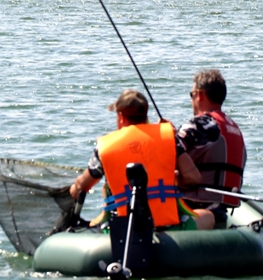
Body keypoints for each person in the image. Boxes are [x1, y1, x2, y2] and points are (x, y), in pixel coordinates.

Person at [69, 89, 201, 229]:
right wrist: (170, 176)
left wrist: (74, 188)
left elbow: (82, 186)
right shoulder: (169, 139)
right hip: (168, 228)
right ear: (145, 115)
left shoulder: (106, 147)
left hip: (121, 230)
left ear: (121, 117)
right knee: (208, 216)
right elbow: (193, 177)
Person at [176, 69, 246, 231]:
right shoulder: (233, 128)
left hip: (197, 205)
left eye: (191, 94)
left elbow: (167, 153)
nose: (191, 100)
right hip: (221, 208)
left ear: (200, 94)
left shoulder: (201, 124)